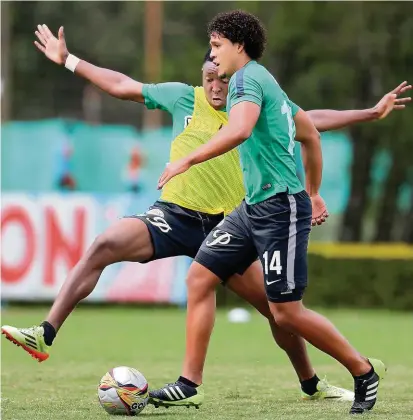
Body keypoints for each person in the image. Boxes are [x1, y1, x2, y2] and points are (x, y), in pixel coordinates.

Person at [2, 23, 410, 410]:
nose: (216, 85)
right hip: (175, 216)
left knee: (279, 310)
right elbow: (122, 86)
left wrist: (368, 114)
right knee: (106, 244)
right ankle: (48, 333)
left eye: (222, 76)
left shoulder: (248, 103)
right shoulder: (184, 97)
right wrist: (69, 59)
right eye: (209, 77)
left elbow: (309, 122)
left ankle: (312, 382)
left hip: (230, 219)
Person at [152, 11, 408, 415]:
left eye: (217, 46)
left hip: (280, 209)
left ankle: (362, 371)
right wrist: (318, 190)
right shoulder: (262, 81)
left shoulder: (248, 80)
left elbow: (239, 130)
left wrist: (187, 161)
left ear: (238, 45)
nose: (213, 57)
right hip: (252, 208)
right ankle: (189, 383)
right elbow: (309, 131)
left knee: (285, 313)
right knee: (200, 277)